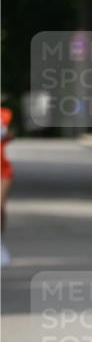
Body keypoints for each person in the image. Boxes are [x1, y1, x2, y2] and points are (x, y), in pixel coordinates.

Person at [1, 104, 15, 266]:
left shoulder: (5, 114)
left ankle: (0, 242)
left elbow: (10, 134)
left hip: (2, 170)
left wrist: (6, 135)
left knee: (0, 206)